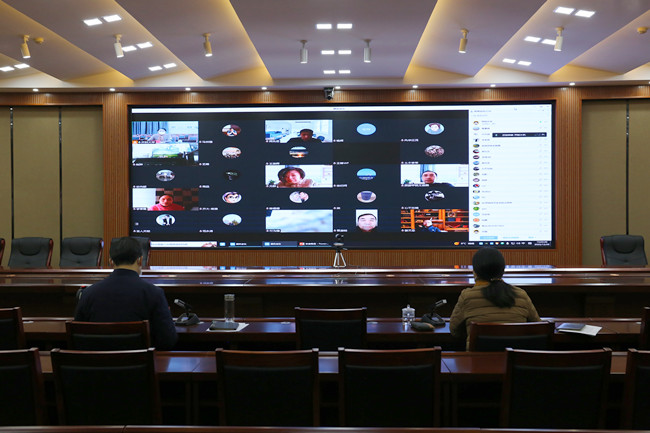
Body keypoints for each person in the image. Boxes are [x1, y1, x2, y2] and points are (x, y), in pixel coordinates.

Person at [74, 237, 178, 350]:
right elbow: (168, 340)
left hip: (97, 360)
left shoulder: (88, 293)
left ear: (111, 261)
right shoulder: (154, 293)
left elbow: (77, 338)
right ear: (140, 260)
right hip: (139, 361)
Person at [449, 247, 540, 349]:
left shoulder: (467, 296)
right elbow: (538, 328)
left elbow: (454, 331)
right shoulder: (521, 295)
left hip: (479, 359)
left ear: (475, 272)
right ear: (502, 270)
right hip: (514, 358)